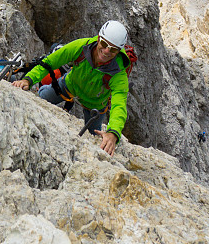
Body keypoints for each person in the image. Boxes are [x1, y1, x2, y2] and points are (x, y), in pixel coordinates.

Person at [13, 20, 130, 156]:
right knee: (41, 98)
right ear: (99, 38)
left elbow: (119, 104)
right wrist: (28, 79)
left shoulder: (118, 73)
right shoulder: (81, 47)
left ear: (118, 51)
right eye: (104, 44)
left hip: (95, 106)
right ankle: (41, 90)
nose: (106, 51)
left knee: (97, 140)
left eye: (113, 49)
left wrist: (113, 133)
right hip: (68, 86)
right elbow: (50, 61)